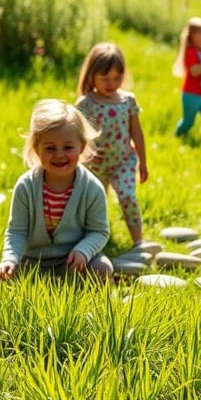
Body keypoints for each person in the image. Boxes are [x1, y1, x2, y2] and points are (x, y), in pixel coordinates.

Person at [0, 99, 113, 283]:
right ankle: (36, 286)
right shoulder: (26, 186)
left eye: (68, 147)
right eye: (50, 148)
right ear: (36, 149)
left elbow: (99, 231)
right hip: (32, 263)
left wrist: (83, 251)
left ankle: (73, 293)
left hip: (71, 262)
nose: (59, 154)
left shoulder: (91, 188)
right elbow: (16, 231)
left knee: (102, 268)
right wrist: (10, 260)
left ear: (81, 146)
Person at [74, 42, 148, 247]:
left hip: (123, 161)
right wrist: (84, 155)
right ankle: (94, 240)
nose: (111, 83)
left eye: (117, 78)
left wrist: (143, 162)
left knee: (128, 198)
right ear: (92, 75)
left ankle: (138, 242)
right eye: (105, 78)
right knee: (94, 203)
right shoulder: (85, 103)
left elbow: (137, 133)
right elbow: (76, 135)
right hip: (94, 164)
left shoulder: (128, 100)